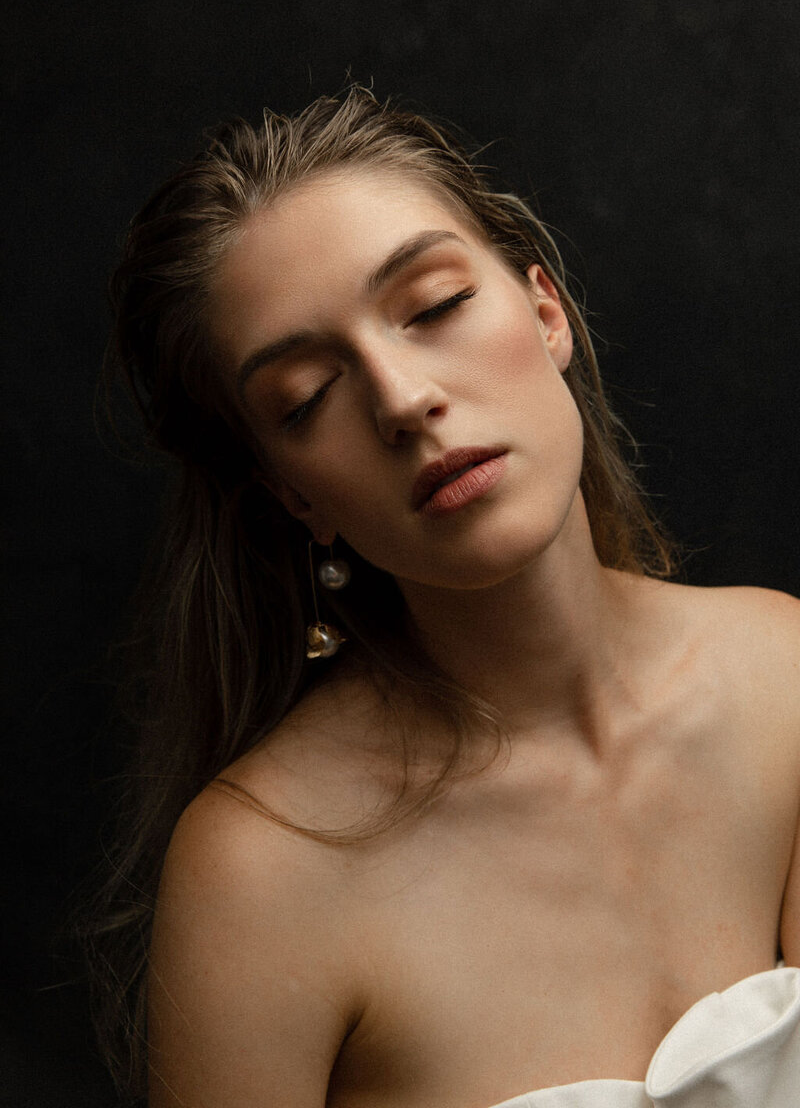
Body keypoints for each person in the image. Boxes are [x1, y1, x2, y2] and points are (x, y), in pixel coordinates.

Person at [90, 85, 800, 1107]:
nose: (400, 398)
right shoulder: (263, 872)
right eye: (305, 398)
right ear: (292, 493)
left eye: (432, 305)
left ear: (544, 310)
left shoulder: (780, 677)